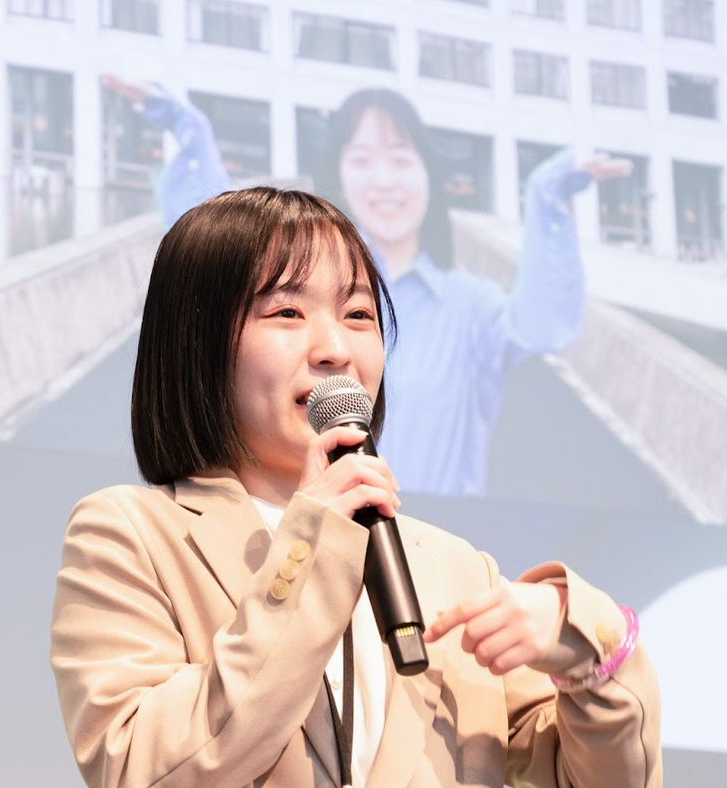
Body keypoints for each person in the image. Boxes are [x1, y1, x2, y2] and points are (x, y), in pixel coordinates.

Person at [50, 186, 661, 788]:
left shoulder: (451, 570)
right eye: (285, 312)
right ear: (197, 341)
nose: (335, 348)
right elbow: (144, 773)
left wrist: (583, 642)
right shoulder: (132, 532)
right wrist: (314, 544)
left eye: (359, 314)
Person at [102, 78, 631, 496]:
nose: (384, 180)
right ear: (339, 175)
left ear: (429, 177)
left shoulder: (470, 305)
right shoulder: (135, 530)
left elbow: (546, 325)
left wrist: (546, 198)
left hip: (432, 552)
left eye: (401, 159)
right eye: (361, 160)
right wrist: (191, 133)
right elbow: (216, 255)